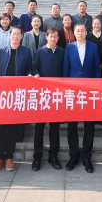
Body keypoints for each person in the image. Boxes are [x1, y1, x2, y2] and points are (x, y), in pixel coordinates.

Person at [0, 26, 33, 172]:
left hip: (18, 93)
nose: (15, 36)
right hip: (3, 93)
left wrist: (29, 74)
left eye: (18, 34)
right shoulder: (1, 51)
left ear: (22, 37)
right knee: (1, 126)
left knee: (13, 125)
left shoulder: (26, 51)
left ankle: (9, 157)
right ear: (9, 36)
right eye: (13, 34)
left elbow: (29, 67)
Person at [63, 23, 100, 173]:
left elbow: (97, 69)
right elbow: (66, 70)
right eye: (77, 31)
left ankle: (86, 157)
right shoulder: (69, 48)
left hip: (89, 92)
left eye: (82, 31)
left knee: (89, 126)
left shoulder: (93, 47)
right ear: (74, 33)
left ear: (86, 32)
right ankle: (73, 156)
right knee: (72, 126)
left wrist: (96, 89)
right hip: (73, 92)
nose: (80, 33)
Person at [31, 28, 64, 171]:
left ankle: (53, 156)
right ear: (47, 37)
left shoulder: (62, 52)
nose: (53, 39)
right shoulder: (40, 51)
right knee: (39, 128)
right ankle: (37, 157)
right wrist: (36, 74)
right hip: (42, 95)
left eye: (56, 37)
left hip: (56, 95)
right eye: (51, 36)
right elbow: (34, 67)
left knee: (55, 128)